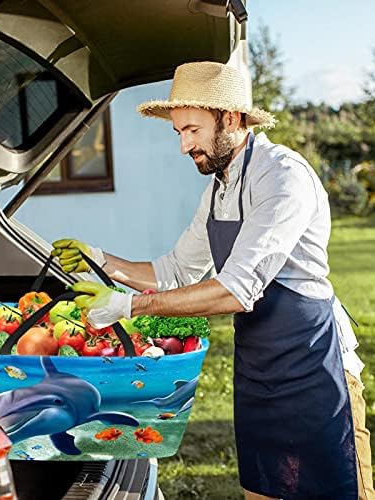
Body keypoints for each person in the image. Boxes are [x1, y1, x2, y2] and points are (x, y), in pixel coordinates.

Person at [51, 62, 374, 500]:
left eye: (192, 130)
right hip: (258, 367)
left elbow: (237, 289)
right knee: (263, 490)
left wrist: (130, 306)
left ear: (231, 118)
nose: (184, 146)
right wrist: (103, 260)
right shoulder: (219, 187)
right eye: (179, 133)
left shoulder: (282, 177)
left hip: (314, 365)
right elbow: (177, 271)